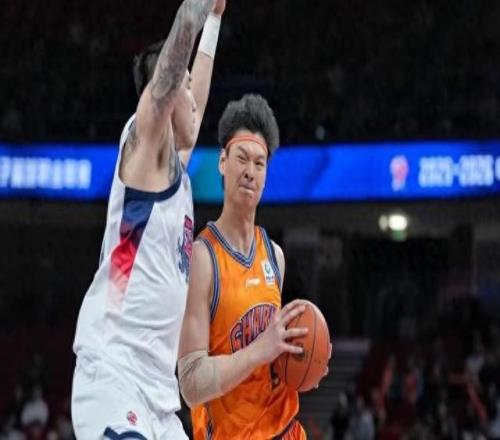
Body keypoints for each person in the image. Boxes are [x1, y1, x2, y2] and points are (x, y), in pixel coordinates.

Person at [71, 0, 226, 438]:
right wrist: (196, 9)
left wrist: (215, 21)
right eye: (186, 88)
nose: (195, 104)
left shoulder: (176, 171)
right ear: (169, 92)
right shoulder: (142, 150)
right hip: (114, 375)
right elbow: (166, 84)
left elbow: (194, 102)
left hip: (159, 395)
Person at [178, 94, 329, 439]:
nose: (250, 172)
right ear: (222, 162)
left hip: (285, 430)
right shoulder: (202, 258)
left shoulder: (275, 256)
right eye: (242, 159)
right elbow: (190, 385)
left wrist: (308, 361)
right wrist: (260, 349)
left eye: (259, 164)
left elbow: (275, 358)